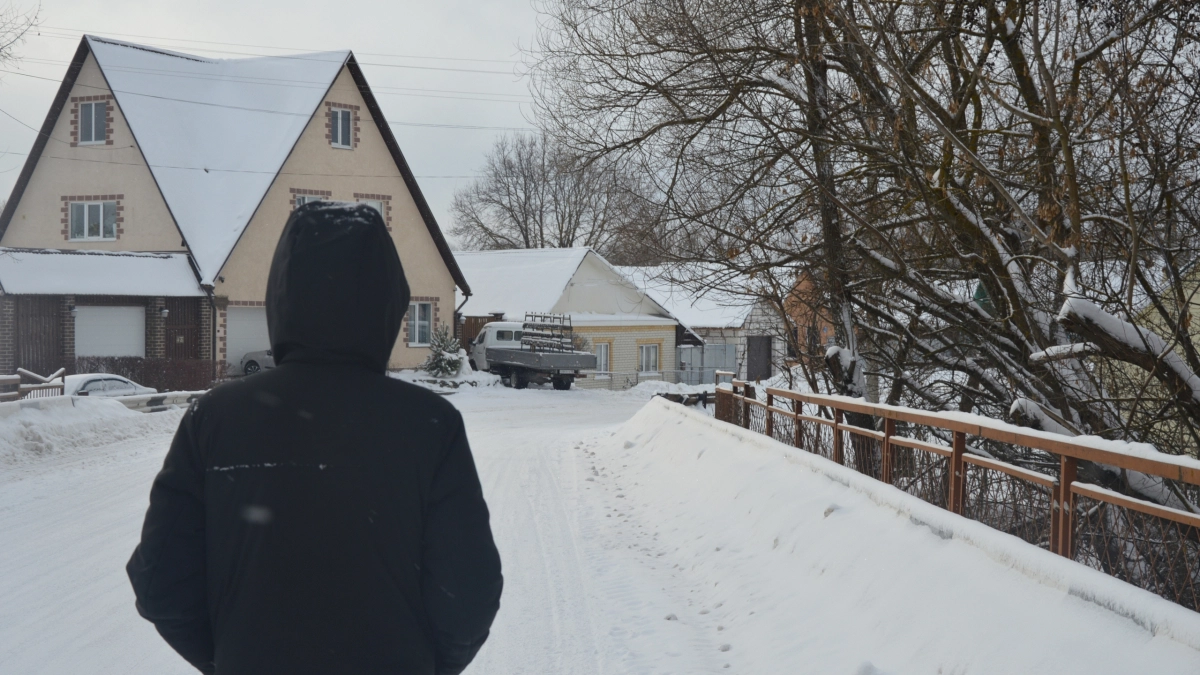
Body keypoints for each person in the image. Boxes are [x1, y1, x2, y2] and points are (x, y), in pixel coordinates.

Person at [127, 202, 503, 675]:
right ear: (387, 300)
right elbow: (469, 593)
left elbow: (161, 581)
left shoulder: (216, 420)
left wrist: (229, 656)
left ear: (281, 295)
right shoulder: (429, 427)